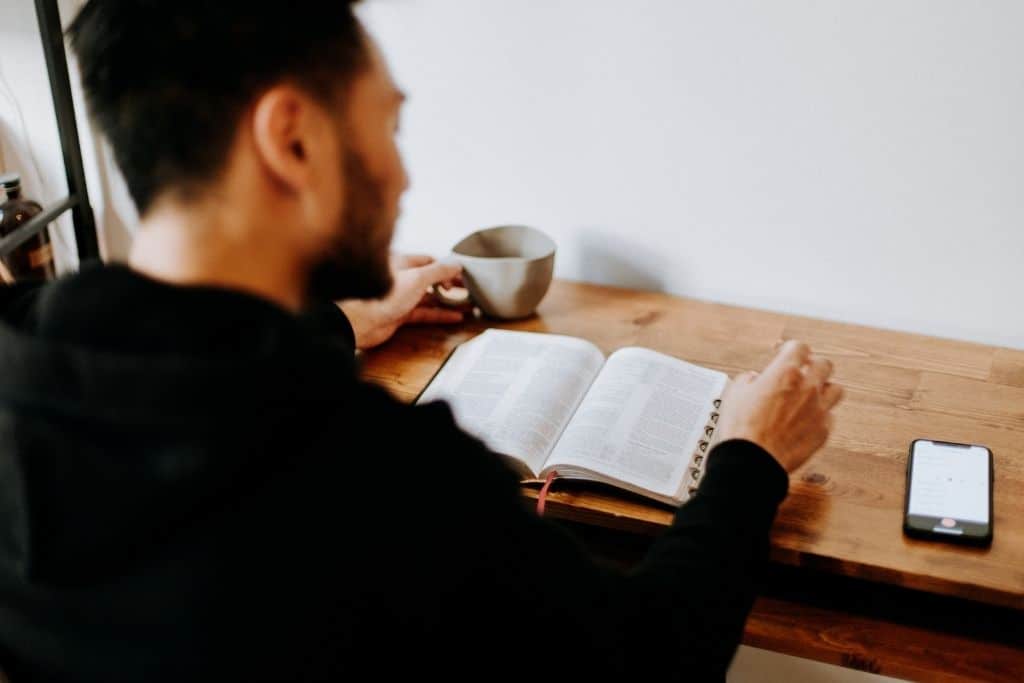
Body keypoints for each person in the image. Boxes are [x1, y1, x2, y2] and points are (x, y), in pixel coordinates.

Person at [0, 2, 842, 681]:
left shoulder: (21, 357)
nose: (402, 174)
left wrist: (339, 322)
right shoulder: (381, 479)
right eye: (388, 126)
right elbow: (653, 659)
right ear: (292, 139)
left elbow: (196, 374)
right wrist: (749, 458)